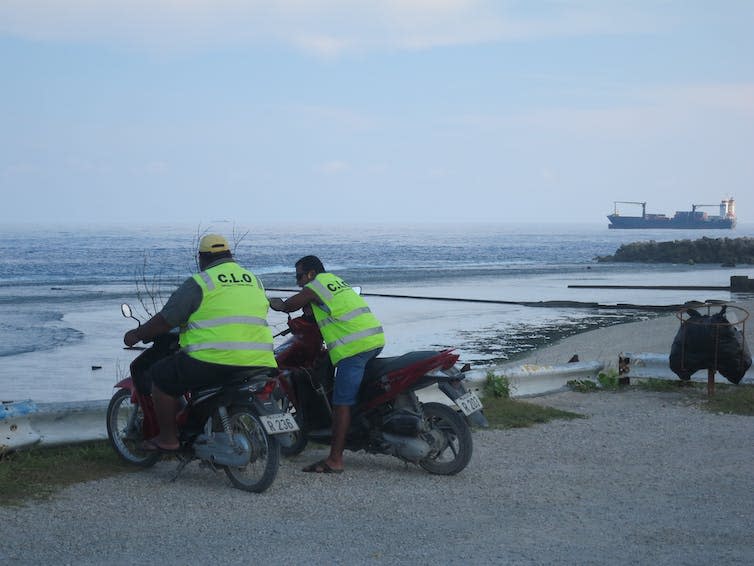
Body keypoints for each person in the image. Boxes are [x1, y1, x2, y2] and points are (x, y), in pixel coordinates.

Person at [123, 234, 277, 452]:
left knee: (160, 376)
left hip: (213, 360)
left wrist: (138, 334)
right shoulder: (254, 280)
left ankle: (168, 439)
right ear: (230, 255)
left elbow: (167, 319)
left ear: (202, 258)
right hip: (261, 360)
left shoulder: (201, 282)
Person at [269, 255, 385, 473]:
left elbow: (288, 306)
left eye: (299, 276)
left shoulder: (315, 286)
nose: (298, 282)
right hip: (375, 340)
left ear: (311, 273)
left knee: (342, 402)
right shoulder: (336, 281)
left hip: (355, 348)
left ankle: (335, 459)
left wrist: (270, 302)